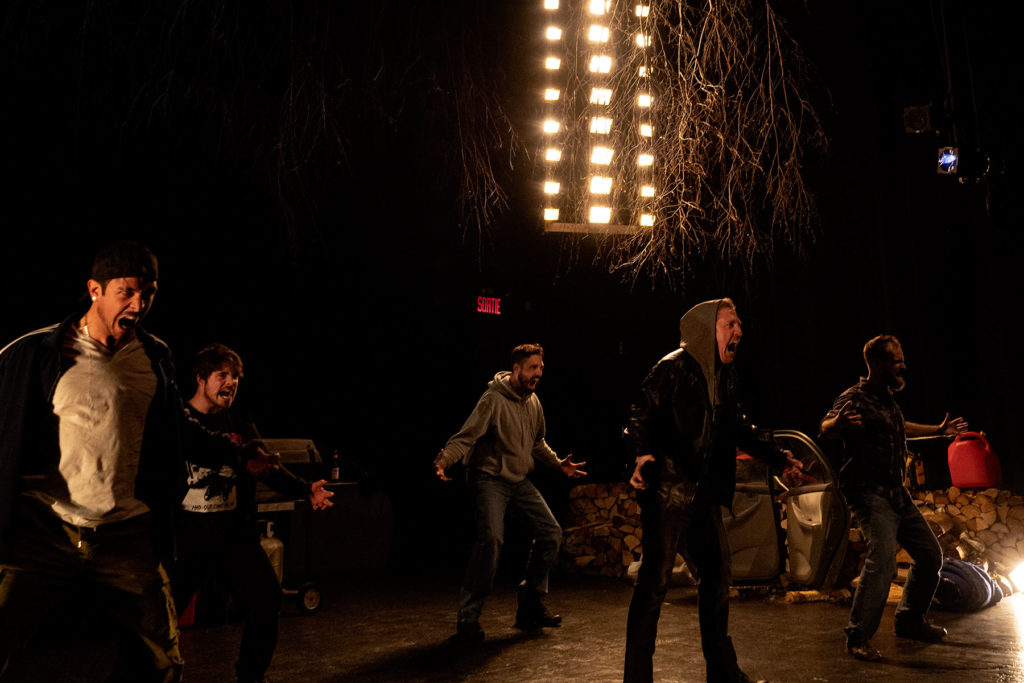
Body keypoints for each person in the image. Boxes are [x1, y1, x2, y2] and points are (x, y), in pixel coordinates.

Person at [0, 240, 269, 682]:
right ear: (95, 290)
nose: (139, 304)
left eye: (148, 293)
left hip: (125, 536)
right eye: (126, 292)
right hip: (44, 531)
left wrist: (236, 451)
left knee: (162, 664)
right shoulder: (37, 352)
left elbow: (178, 425)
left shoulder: (154, 357)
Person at [623, 298, 802, 683]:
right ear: (707, 329)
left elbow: (737, 426)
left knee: (718, 578)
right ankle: (636, 678)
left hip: (702, 493)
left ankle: (722, 671)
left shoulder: (724, 375)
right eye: (729, 324)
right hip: (668, 492)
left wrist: (777, 457)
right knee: (654, 584)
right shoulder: (672, 367)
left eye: (739, 324)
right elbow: (640, 414)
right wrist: (640, 453)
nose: (739, 331)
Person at [173, 343, 334, 683]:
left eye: (235, 377)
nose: (230, 383)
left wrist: (305, 489)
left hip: (234, 537)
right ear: (201, 378)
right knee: (160, 616)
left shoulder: (239, 420)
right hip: (188, 539)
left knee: (266, 602)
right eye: (222, 375)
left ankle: (251, 676)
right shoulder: (180, 420)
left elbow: (266, 466)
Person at [819, 334, 967, 662]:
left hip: (895, 492)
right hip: (867, 492)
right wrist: (837, 423)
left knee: (929, 554)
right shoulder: (854, 398)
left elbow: (902, 427)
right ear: (877, 362)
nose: (903, 365)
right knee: (883, 560)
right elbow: (826, 426)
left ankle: (909, 621)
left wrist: (938, 430)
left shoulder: (887, 401)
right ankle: (858, 636)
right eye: (896, 360)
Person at [433, 343, 587, 642]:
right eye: (533, 368)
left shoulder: (533, 401)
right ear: (517, 369)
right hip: (488, 478)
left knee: (550, 532)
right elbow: (466, 436)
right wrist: (444, 461)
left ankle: (530, 606)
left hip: (517, 480)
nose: (538, 373)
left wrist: (558, 464)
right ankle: (468, 618)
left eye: (541, 368)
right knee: (491, 540)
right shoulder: (493, 399)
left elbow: (537, 443)